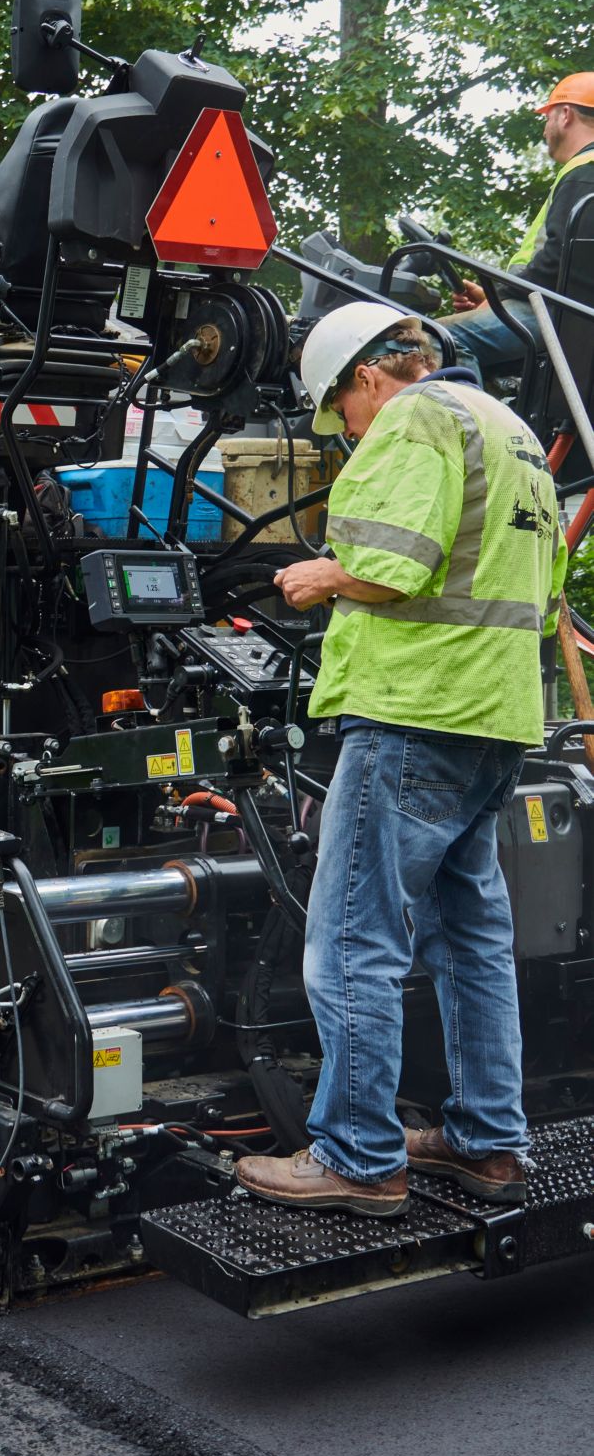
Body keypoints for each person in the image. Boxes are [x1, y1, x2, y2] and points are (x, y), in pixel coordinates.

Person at [237, 301, 566, 1217]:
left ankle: (355, 1154)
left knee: (352, 941)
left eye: (339, 411)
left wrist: (318, 575)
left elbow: (393, 566)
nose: (344, 430)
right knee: (470, 939)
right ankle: (485, 1142)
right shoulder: (510, 431)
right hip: (493, 716)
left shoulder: (417, 418)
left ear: (369, 379)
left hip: (413, 713)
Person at [445, 74, 594, 381]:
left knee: (435, 338)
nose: (544, 127)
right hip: (567, 312)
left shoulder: (584, 172)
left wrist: (496, 296)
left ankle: (472, 427)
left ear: (565, 114)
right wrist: (494, 298)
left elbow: (555, 265)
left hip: (558, 314)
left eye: (548, 116)